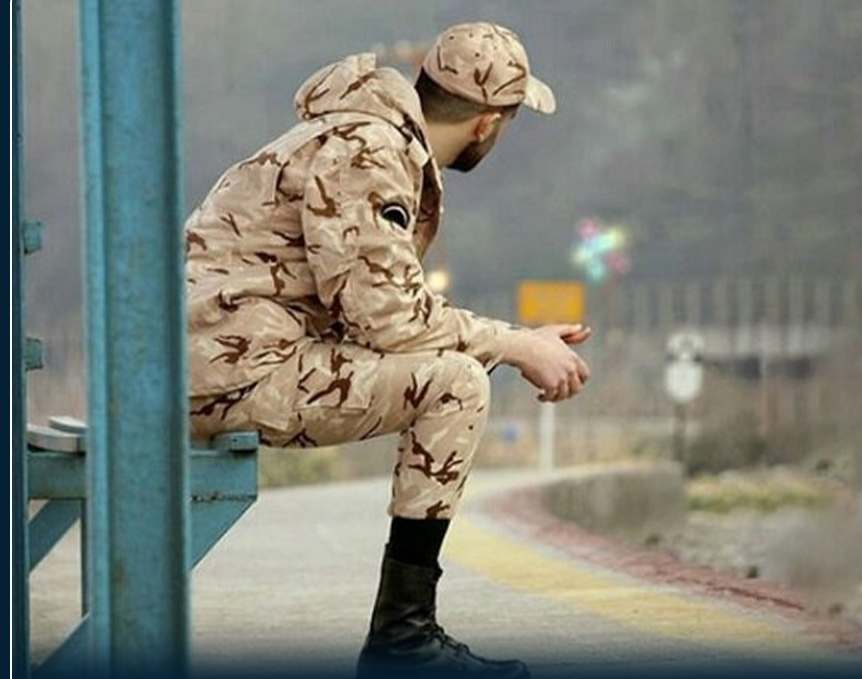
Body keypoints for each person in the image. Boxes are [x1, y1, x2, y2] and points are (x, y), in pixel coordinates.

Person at [185, 21, 590, 677]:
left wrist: (517, 341)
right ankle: (403, 641)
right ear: (488, 123)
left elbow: (372, 313)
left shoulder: (364, 136)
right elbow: (390, 319)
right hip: (235, 373)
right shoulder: (369, 153)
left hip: (217, 363)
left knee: (454, 369)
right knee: (455, 384)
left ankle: (405, 638)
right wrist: (517, 345)